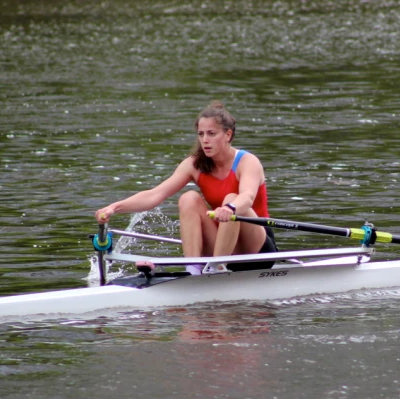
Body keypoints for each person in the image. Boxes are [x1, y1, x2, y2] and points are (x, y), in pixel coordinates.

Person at [95, 101, 276, 274]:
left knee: (231, 198)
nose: (205, 140)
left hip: (258, 247)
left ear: (228, 135)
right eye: (201, 134)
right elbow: (154, 195)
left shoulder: (247, 162)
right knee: (188, 198)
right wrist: (114, 207)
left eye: (211, 134)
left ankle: (216, 268)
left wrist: (231, 208)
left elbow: (247, 197)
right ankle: (194, 271)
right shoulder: (194, 165)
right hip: (226, 243)